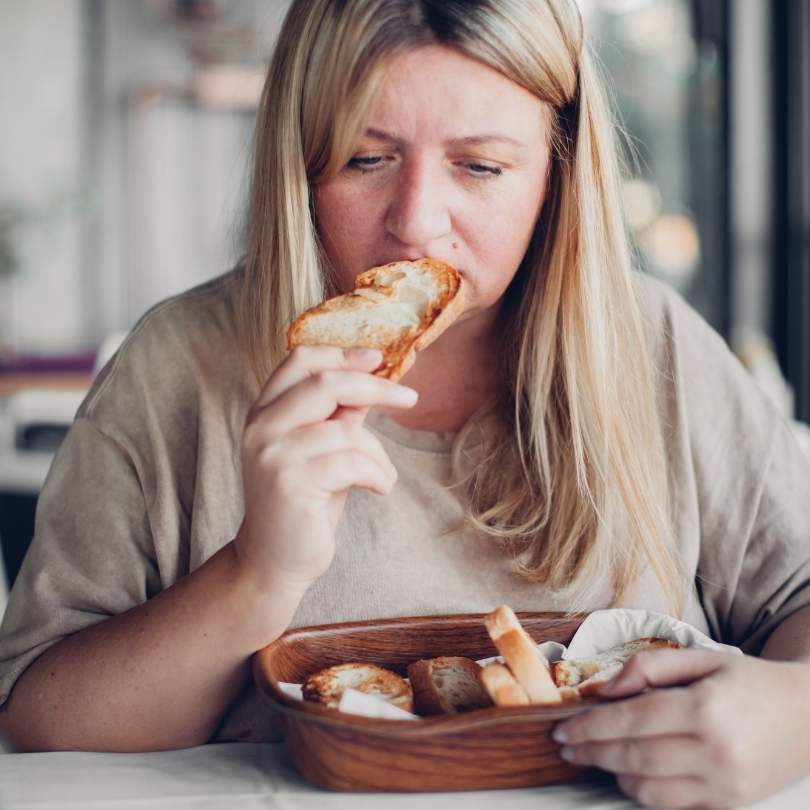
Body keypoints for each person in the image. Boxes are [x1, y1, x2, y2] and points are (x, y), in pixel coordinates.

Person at [1, 0, 810, 806]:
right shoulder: (175, 367)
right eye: (364, 159)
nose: (418, 224)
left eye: (481, 167)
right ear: (299, 160)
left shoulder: (653, 344)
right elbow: (41, 718)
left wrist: (793, 713)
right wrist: (257, 573)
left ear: (559, 174)